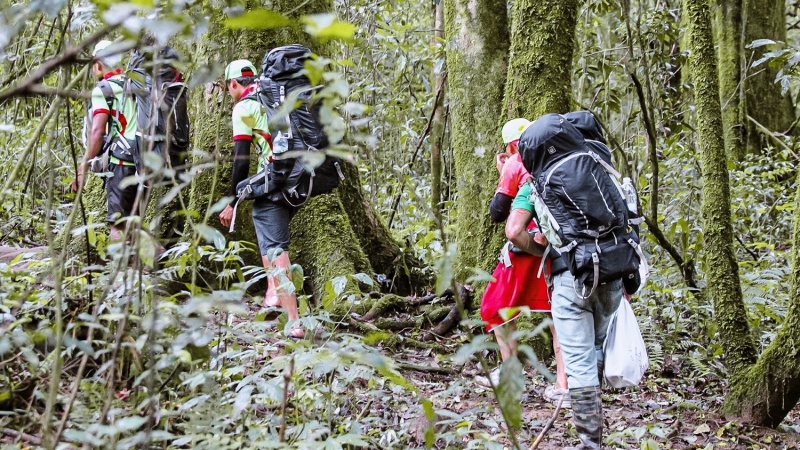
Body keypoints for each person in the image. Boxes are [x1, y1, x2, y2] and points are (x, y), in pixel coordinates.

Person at [507, 177, 623, 450]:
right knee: (595, 348)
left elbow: (513, 231)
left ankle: (590, 444)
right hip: (612, 271)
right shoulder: (598, 168)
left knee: (580, 364)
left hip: (569, 276)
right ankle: (596, 428)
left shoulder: (535, 181)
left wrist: (542, 250)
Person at [477, 118, 570, 408]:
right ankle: (563, 386)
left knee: (494, 307)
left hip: (526, 250)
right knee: (558, 318)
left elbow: (497, 212)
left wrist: (503, 170)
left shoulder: (516, 162)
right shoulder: (559, 159)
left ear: (510, 144)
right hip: (560, 251)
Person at [218, 60, 303, 339]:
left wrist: (232, 201)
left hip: (277, 183)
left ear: (233, 83)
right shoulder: (275, 95)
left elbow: (241, 160)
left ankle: (295, 322)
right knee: (266, 230)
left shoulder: (244, 107)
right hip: (299, 178)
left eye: (227, 87)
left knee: (278, 251)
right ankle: (273, 295)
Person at [72, 40, 139, 242]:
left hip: (122, 163)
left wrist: (83, 166)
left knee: (117, 226)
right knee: (133, 223)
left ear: (98, 63)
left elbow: (98, 131)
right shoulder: (132, 83)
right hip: (144, 160)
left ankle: (116, 272)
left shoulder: (103, 89)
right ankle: (152, 263)